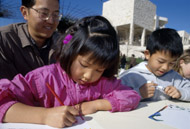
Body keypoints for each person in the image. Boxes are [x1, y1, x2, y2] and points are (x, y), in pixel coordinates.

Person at [0, 16, 140, 128]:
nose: (89, 76)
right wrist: (44, 116)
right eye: (84, 64)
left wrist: (95, 104)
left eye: (99, 69)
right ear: (69, 52)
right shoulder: (43, 78)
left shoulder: (102, 82)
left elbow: (131, 96)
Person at [119, 28, 190, 102]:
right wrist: (138, 93)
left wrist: (180, 93)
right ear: (147, 54)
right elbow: (115, 98)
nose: (165, 68)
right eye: (161, 61)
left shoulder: (175, 77)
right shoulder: (131, 76)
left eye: (172, 63)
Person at [0, 0, 61, 80]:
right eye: (44, 13)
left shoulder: (64, 43)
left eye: (55, 14)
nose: (51, 21)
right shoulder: (4, 39)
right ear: (25, 12)